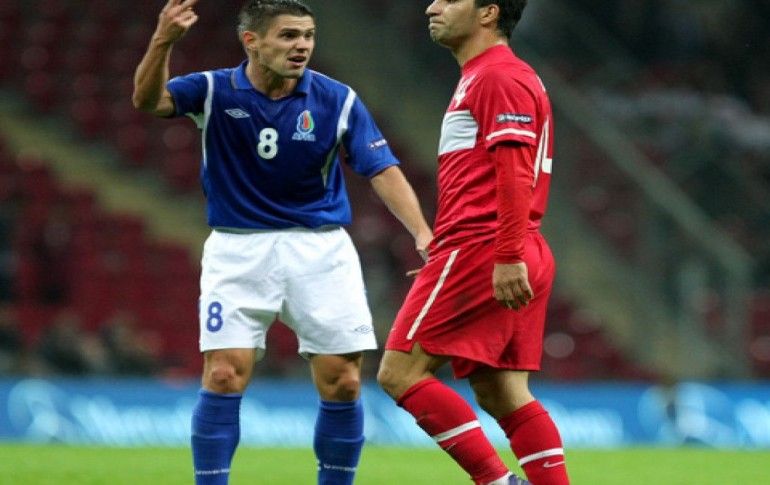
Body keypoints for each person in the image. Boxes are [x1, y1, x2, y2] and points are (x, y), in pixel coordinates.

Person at [132, 1, 433, 484]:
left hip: (320, 251)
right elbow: (149, 101)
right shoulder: (212, 89)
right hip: (237, 250)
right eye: (289, 35)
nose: (302, 46)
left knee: (344, 381)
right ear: (251, 41)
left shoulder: (337, 99)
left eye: (308, 36)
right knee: (223, 375)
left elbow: (381, 168)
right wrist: (163, 41)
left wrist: (421, 231)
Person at [377, 1, 570, 484]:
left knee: (399, 373)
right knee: (501, 392)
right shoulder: (488, 74)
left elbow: (514, 172)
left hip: (486, 245)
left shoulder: (498, 75)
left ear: (488, 12)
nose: (432, 7)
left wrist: (503, 255)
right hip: (499, 245)